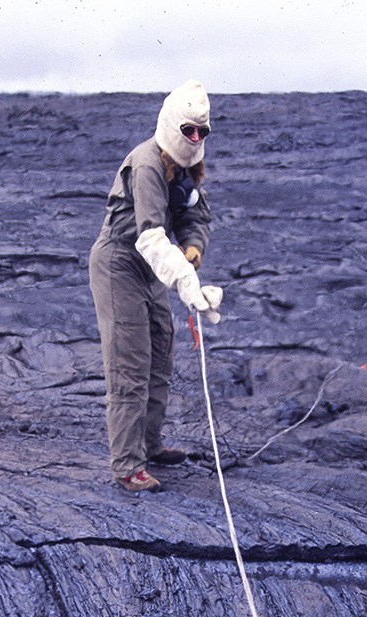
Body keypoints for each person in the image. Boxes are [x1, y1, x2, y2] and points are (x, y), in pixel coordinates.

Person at [89, 80, 223, 491]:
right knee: (129, 363)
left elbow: (195, 216)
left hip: (152, 270)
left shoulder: (183, 168)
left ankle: (149, 442)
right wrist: (185, 280)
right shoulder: (147, 163)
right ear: (173, 126)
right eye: (189, 131)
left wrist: (193, 252)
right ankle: (128, 465)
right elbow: (149, 234)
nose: (196, 138)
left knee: (160, 353)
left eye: (203, 132)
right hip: (120, 264)